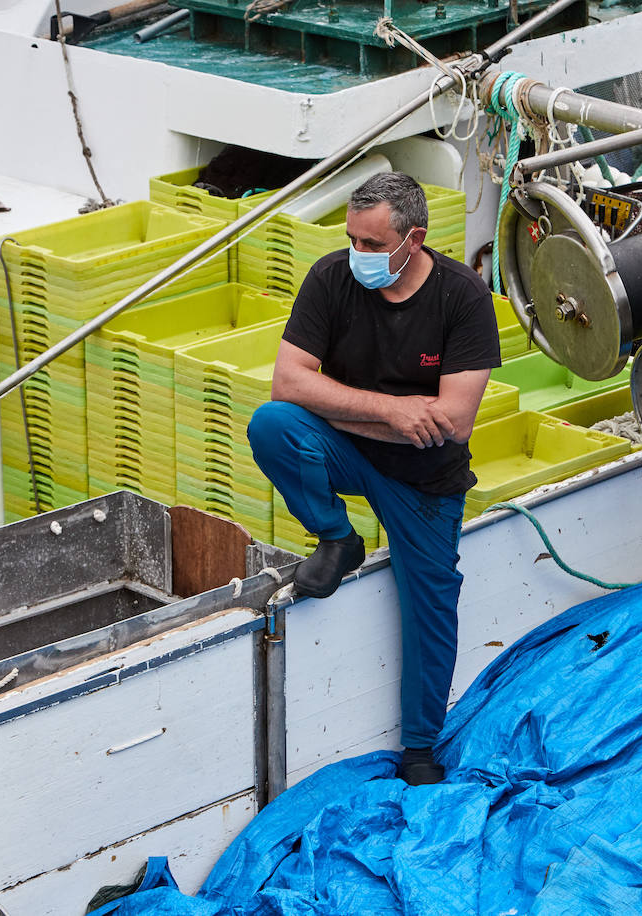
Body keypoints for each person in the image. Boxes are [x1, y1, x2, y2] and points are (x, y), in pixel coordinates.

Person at [247, 172, 501, 786]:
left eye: (372, 244)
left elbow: (455, 425)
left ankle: (419, 746)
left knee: (431, 600)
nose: (357, 255)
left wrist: (347, 407)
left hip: (425, 480)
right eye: (352, 240)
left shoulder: (463, 296)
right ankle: (339, 535)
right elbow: (289, 384)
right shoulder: (330, 278)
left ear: (414, 239)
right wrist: (392, 411)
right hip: (350, 452)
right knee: (274, 425)